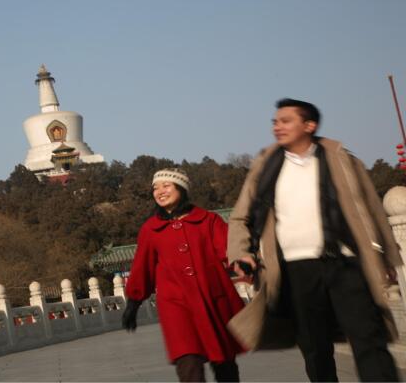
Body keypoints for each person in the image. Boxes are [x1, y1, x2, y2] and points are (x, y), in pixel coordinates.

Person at [228, 98, 402, 382]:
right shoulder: (265, 166)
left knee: (368, 338)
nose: (278, 127)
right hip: (295, 270)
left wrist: (386, 258)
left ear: (309, 125)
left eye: (286, 121)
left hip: (345, 263)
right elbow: (240, 217)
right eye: (275, 122)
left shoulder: (341, 158)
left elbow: (371, 209)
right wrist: (241, 253)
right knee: (314, 347)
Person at [122, 168, 245, 382]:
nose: (160, 191)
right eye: (155, 188)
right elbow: (143, 267)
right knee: (188, 364)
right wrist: (133, 302)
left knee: (224, 362)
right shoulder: (151, 229)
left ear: (182, 188)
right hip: (176, 305)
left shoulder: (209, 221)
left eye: (166, 185)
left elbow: (229, 248)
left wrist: (243, 260)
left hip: (212, 299)